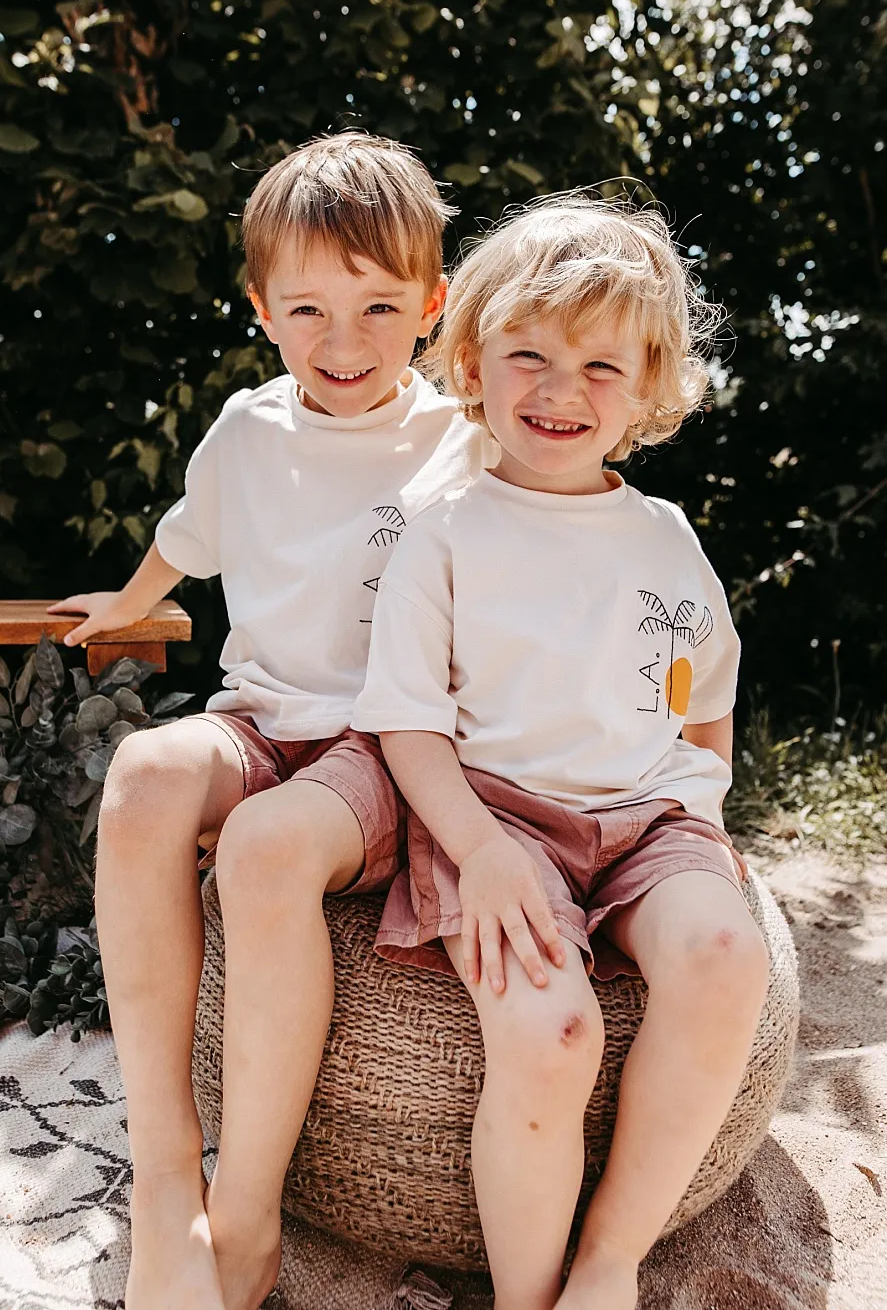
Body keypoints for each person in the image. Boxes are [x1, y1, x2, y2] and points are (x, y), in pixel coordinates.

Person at [49, 133, 485, 1310]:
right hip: (263, 719)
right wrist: (124, 606)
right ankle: (160, 1185)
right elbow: (180, 548)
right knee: (142, 775)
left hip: (389, 743)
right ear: (261, 307)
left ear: (434, 307)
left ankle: (243, 1219)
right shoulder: (249, 431)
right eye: (308, 309)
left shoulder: (466, 444)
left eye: (379, 307)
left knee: (267, 845)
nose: (343, 345)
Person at [352, 195, 770, 1310]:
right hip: (498, 817)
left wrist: (702, 820)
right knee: (554, 1029)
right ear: (476, 361)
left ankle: (606, 1263)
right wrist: (480, 853)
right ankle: (528, 1292)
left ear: (647, 389)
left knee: (730, 957)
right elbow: (407, 722)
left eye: (601, 367)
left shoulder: (666, 535)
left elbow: (706, 691)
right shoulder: (445, 527)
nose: (560, 390)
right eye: (528, 354)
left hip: (646, 819)